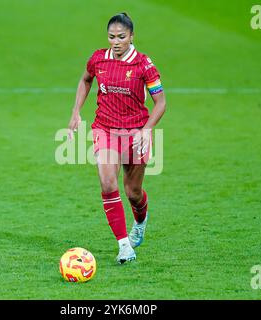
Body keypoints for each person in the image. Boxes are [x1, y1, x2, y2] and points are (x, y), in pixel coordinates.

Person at [68, 13, 166, 264]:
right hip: (105, 129)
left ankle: (140, 221)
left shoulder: (144, 65)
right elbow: (85, 79)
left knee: (133, 192)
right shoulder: (98, 59)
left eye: (121, 37)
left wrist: (147, 129)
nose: (116, 42)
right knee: (107, 182)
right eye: (112, 37)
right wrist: (76, 112)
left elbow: (161, 103)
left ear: (132, 36)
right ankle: (124, 246)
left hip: (135, 133)